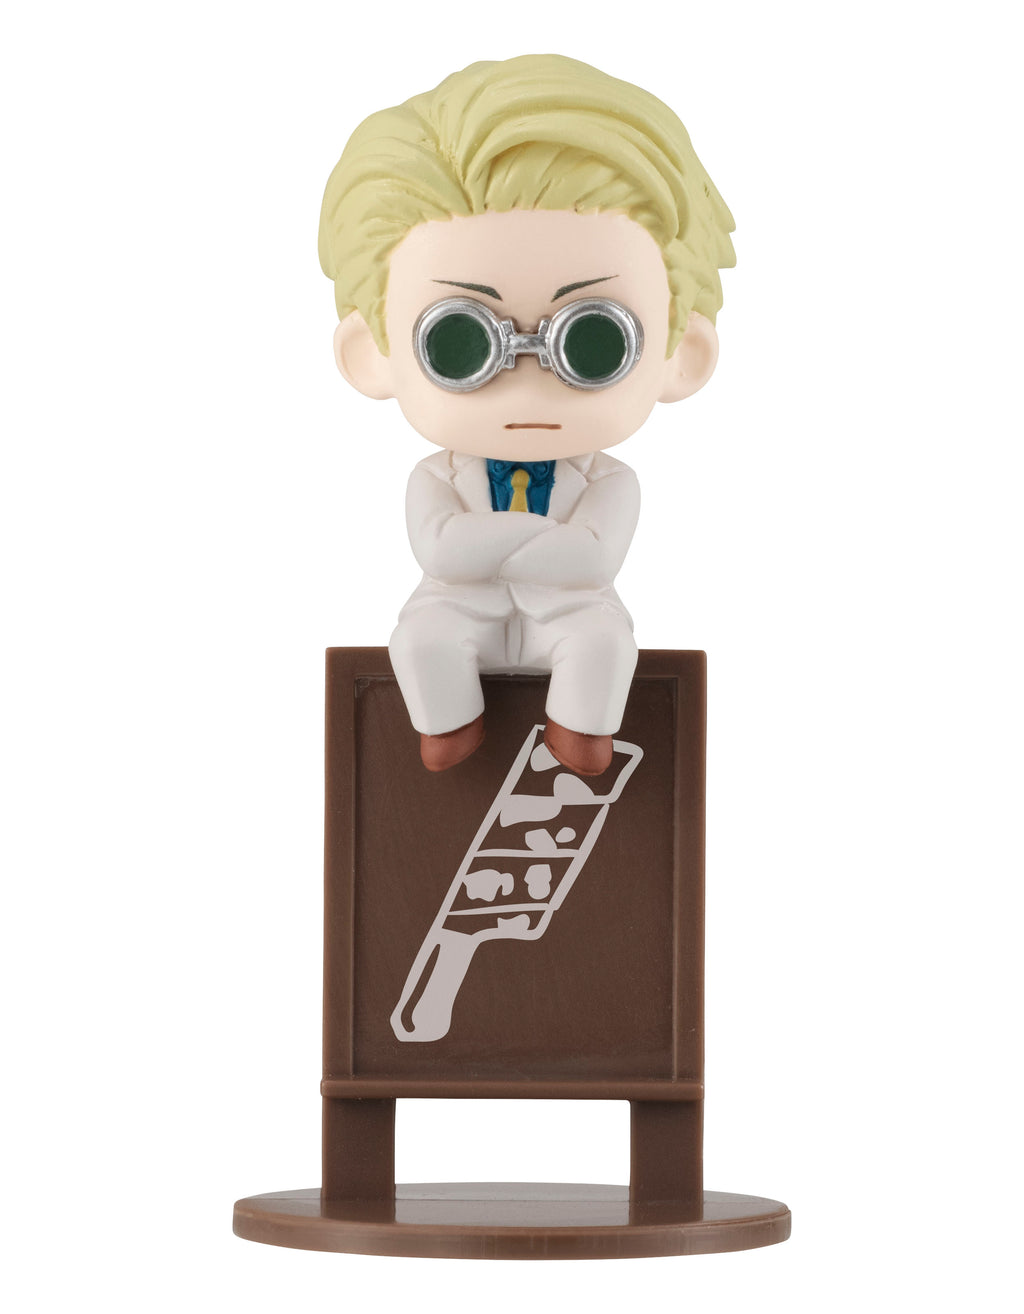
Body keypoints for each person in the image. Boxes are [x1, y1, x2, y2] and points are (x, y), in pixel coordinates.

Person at [318, 54, 734, 774]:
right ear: (371, 355)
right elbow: (442, 556)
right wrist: (543, 542)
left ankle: (582, 736)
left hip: (573, 616)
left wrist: (488, 542)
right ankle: (448, 733)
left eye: (593, 342)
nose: (526, 379)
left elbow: (589, 562)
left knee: (605, 644)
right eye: (461, 343)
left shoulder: (613, 480)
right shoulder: (433, 476)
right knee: (418, 641)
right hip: (457, 613)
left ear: (683, 354)